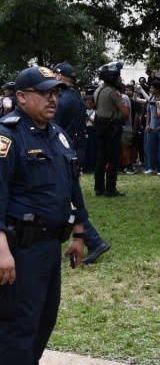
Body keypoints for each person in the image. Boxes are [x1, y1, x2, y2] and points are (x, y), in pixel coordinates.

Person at [0, 66, 88, 365]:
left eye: (55, 91)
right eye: (43, 92)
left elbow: (72, 187)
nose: (53, 97)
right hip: (19, 248)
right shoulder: (7, 137)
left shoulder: (57, 135)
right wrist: (1, 247)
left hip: (49, 245)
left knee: (41, 322)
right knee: (19, 326)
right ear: (21, 97)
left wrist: (80, 232)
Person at [52, 63, 110, 266]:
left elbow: (52, 128)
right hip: (76, 149)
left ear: (59, 76)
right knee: (69, 198)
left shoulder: (60, 99)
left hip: (65, 151)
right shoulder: (75, 96)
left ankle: (94, 242)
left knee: (67, 200)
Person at [92, 61, 128, 197]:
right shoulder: (113, 93)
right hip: (112, 127)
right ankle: (110, 189)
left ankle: (99, 188)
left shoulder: (98, 90)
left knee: (101, 158)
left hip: (100, 125)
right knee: (113, 158)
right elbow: (125, 112)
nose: (119, 79)